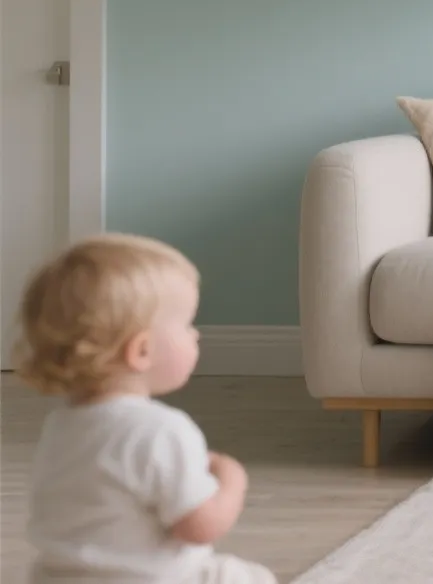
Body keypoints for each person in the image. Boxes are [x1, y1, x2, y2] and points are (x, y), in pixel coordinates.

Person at [12, 234, 275, 583]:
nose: (195, 335)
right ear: (141, 351)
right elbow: (199, 527)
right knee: (249, 577)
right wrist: (232, 480)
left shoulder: (61, 426)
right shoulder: (162, 429)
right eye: (187, 325)